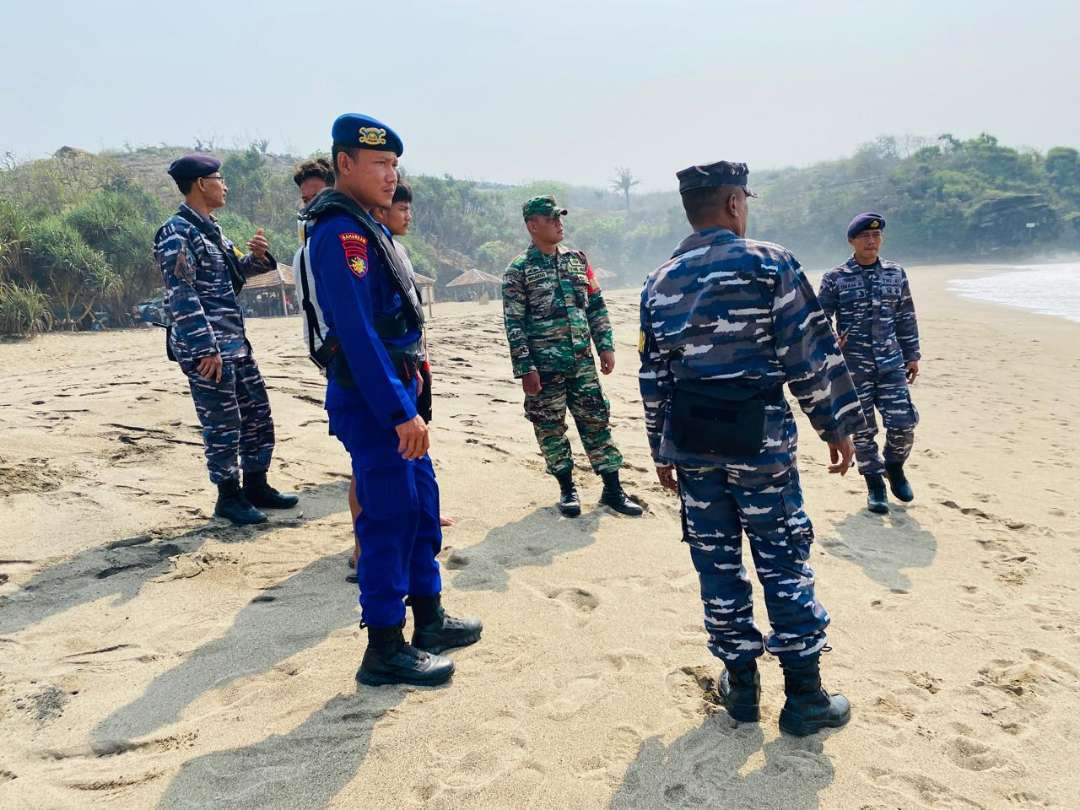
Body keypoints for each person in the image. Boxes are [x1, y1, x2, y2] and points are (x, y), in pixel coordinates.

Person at [639, 160, 865, 736]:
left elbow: (653, 376)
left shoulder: (658, 280)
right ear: (736, 203)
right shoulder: (770, 262)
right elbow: (807, 351)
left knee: (715, 562)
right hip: (759, 442)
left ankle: (741, 688)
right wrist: (836, 425)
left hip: (691, 444)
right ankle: (805, 698)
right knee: (782, 556)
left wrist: (661, 451)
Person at [303, 113, 481, 687]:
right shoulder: (340, 233)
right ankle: (384, 648)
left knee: (421, 503)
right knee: (388, 516)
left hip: (397, 385)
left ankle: (427, 617)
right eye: (378, 163)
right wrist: (398, 410)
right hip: (372, 396)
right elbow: (355, 332)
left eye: (395, 164)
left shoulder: (368, 223)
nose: (389, 174)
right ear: (345, 164)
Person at [154, 154, 298, 525]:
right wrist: (204, 349)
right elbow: (181, 295)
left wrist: (260, 258)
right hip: (210, 350)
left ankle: (256, 485)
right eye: (220, 179)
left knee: (256, 415)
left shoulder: (211, 230)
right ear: (201, 184)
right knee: (223, 423)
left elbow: (238, 270)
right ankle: (228, 497)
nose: (225, 186)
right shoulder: (177, 232)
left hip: (235, 344)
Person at [501, 195, 642, 518]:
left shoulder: (578, 260)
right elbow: (514, 322)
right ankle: (567, 488)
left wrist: (605, 345)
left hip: (582, 363)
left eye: (559, 217)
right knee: (550, 428)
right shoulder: (518, 271)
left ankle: (612, 488)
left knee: (597, 421)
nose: (559, 223)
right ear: (532, 225)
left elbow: (596, 305)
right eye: (551, 219)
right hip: (544, 368)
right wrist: (525, 367)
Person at [818, 214, 921, 514]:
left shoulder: (895, 273)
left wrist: (912, 354)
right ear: (852, 241)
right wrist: (830, 341)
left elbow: (906, 316)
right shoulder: (836, 278)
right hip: (854, 367)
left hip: (891, 363)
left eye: (876, 236)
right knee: (863, 431)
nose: (871, 241)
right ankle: (875, 483)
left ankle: (894, 466)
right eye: (864, 236)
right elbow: (820, 317)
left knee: (903, 424)